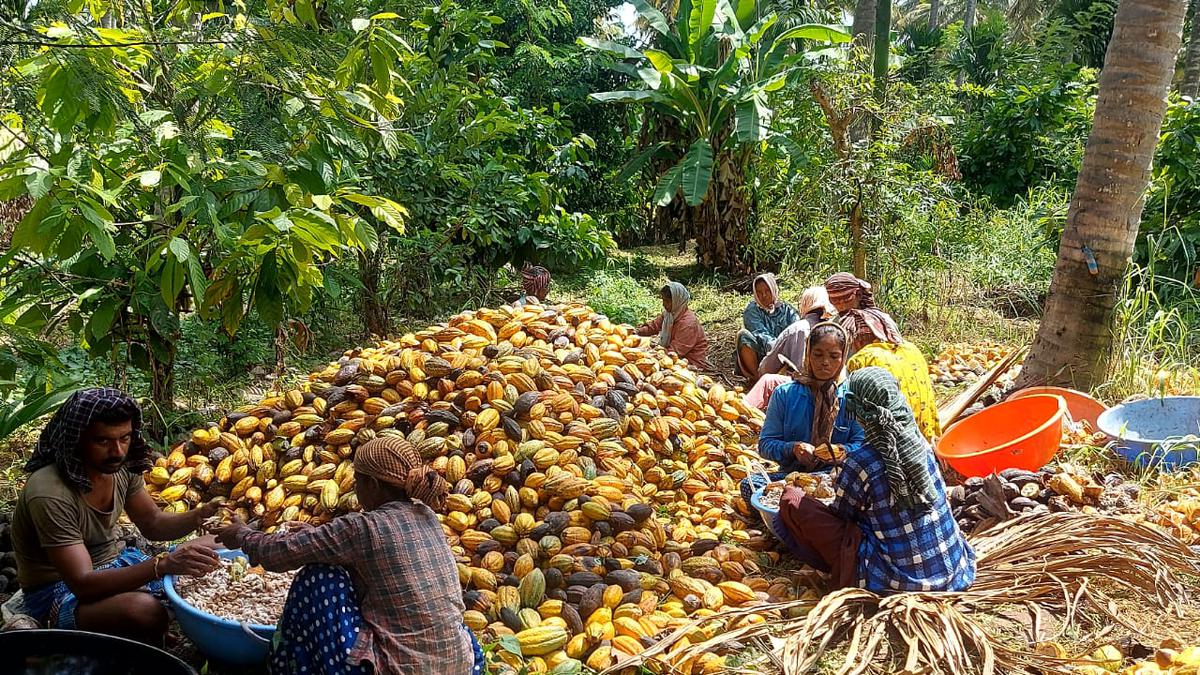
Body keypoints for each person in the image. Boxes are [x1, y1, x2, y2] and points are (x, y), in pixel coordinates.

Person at [216, 436, 481, 675]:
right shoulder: (427, 516)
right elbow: (374, 558)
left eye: (357, 480)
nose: (354, 487)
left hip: (397, 668)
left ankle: (284, 667)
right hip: (461, 665)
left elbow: (276, 554)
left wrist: (241, 535)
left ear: (373, 485)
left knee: (319, 577)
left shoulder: (363, 527)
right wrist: (315, 535)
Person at [10, 388, 222, 643]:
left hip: (119, 563)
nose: (117, 451)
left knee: (220, 543)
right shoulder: (50, 493)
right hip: (60, 591)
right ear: (77, 439)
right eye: (103, 441)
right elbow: (84, 584)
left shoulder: (120, 467)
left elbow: (153, 524)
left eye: (125, 438)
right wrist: (161, 566)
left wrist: (199, 517)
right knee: (145, 611)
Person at [776, 368, 975, 592]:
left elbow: (842, 516)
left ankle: (833, 571)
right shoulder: (921, 444)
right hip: (954, 569)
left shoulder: (862, 462)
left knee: (792, 500)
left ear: (858, 409)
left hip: (900, 581)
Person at [740, 323, 864, 509]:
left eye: (834, 356)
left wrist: (841, 452)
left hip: (835, 477)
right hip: (793, 478)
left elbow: (862, 445)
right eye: (818, 354)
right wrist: (793, 449)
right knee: (750, 486)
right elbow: (765, 444)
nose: (825, 362)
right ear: (808, 353)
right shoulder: (785, 394)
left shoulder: (851, 397)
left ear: (843, 357)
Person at [839, 309, 941, 440]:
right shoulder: (912, 349)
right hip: (928, 436)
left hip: (896, 442)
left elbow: (853, 409)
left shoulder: (861, 359)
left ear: (857, 339)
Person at [744, 287, 837, 411]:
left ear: (805, 304)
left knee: (767, 381)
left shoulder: (797, 328)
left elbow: (766, 368)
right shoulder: (836, 328)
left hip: (808, 388)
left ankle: (743, 413)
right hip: (834, 387)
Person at [736, 273, 800, 381]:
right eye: (759, 293)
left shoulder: (787, 309)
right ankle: (757, 377)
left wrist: (785, 347)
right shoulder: (752, 310)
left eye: (767, 291)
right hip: (762, 353)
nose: (764, 296)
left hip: (786, 354)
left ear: (774, 290)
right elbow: (759, 332)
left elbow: (796, 326)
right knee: (743, 336)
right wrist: (775, 346)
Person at [635, 282, 710, 370]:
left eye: (667, 301)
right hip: (674, 354)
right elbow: (654, 326)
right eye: (663, 300)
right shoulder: (670, 314)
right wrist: (636, 331)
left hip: (691, 361)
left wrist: (651, 354)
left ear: (677, 301)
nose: (663, 304)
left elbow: (675, 351)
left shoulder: (688, 324)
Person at [823, 272, 901, 340]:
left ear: (859, 295)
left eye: (846, 300)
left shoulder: (881, 321)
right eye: (835, 301)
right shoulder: (833, 324)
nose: (841, 306)